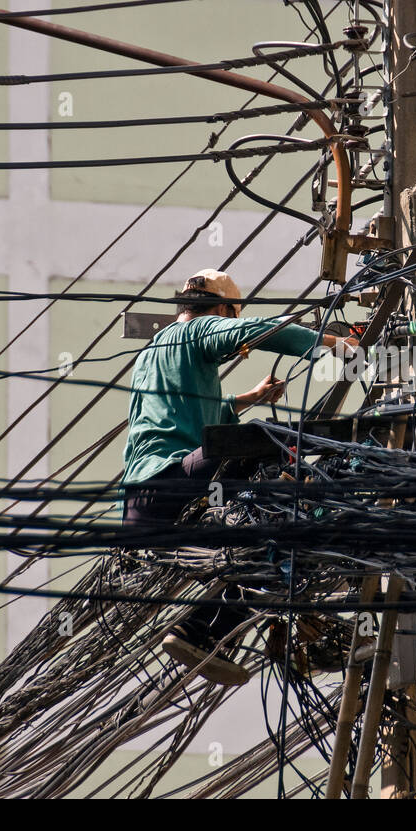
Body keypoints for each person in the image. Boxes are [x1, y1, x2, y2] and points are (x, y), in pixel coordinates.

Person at [121, 268, 358, 685]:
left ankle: (201, 632)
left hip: (143, 510)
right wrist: (336, 345)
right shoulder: (199, 331)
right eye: (231, 316)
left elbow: (187, 414)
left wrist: (247, 398)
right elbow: (261, 330)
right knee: (269, 448)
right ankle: (317, 615)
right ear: (224, 309)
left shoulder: (155, 352)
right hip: (174, 483)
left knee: (261, 544)